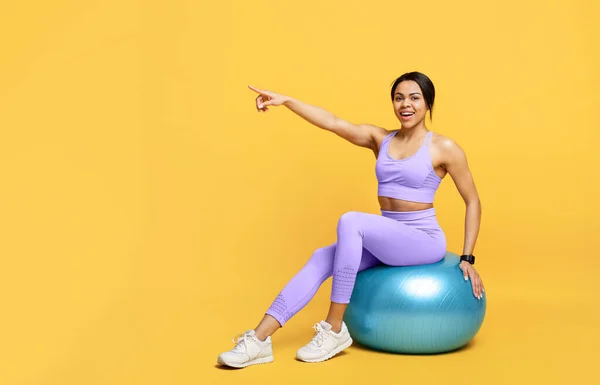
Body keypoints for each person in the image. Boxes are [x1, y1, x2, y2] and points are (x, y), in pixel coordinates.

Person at [216, 72, 484, 368]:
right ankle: (259, 340)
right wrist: (287, 101)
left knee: (351, 221)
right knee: (321, 258)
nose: (405, 104)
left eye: (414, 97)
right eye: (398, 98)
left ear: (427, 103)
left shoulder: (443, 147)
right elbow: (332, 122)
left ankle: (333, 328)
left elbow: (472, 200)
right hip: (390, 236)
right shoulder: (380, 139)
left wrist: (467, 257)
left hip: (423, 240)